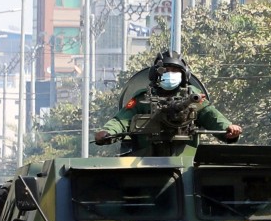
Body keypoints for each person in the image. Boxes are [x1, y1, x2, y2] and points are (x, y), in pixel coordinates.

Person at [93, 50, 241, 155]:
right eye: (166, 70)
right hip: (145, 162)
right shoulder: (142, 99)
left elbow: (212, 116)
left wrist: (229, 129)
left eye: (175, 70)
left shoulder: (194, 97)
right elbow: (121, 120)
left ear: (184, 75)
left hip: (186, 162)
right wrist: (107, 133)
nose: (170, 74)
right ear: (156, 74)